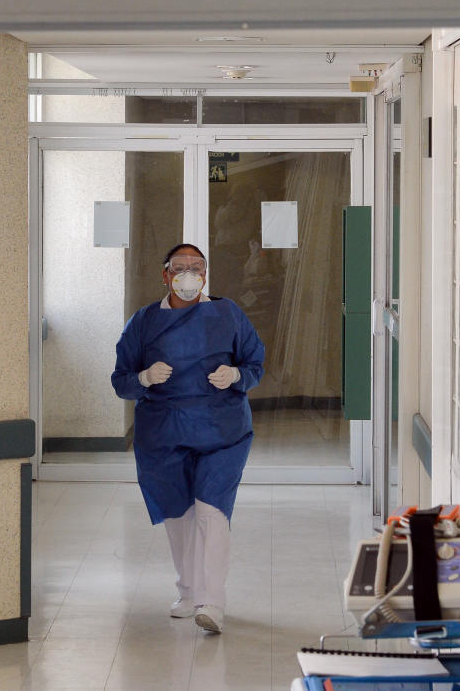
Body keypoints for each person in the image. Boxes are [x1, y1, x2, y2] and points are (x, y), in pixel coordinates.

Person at [111, 243, 265, 634]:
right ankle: (188, 589)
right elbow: (121, 381)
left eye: (196, 267)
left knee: (211, 512)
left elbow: (254, 362)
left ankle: (212, 602)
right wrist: (144, 378)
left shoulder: (227, 314)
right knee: (178, 515)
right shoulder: (144, 322)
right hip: (164, 432)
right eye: (180, 268)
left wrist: (236, 376)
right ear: (165, 275)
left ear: (206, 275)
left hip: (222, 431)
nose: (188, 275)